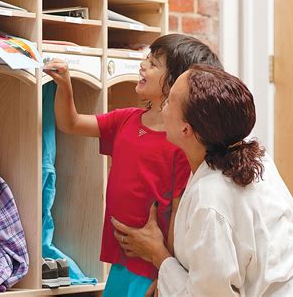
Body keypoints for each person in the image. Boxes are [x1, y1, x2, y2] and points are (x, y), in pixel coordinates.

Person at [112, 64, 293, 296]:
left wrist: (159, 256)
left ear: (186, 129)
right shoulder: (255, 158)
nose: (163, 102)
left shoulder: (210, 198)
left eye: (170, 100)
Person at [43, 35, 223, 296]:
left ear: (176, 83)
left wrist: (166, 272)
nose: (143, 65)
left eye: (153, 63)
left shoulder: (180, 144)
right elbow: (70, 123)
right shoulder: (125, 120)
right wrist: (65, 86)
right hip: (122, 260)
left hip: (151, 266)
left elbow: (176, 211)